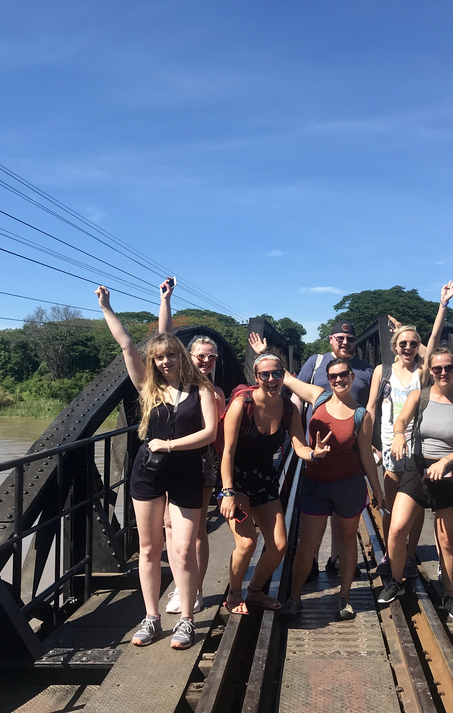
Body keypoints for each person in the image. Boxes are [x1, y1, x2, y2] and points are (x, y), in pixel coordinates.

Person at [96, 285, 217, 649]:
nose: (165, 361)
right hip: (147, 475)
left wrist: (170, 444)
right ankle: (151, 618)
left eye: (171, 356)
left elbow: (210, 433)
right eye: (160, 358)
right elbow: (127, 345)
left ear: (181, 357)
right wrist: (107, 307)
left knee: (181, 550)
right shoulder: (149, 388)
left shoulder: (203, 391)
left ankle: (186, 620)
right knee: (149, 549)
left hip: (185, 474)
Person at [219, 342, 325, 614]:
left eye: (277, 374)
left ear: (283, 375)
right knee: (246, 544)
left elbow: (299, 445)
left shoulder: (289, 409)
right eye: (264, 375)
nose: (271, 380)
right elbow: (227, 451)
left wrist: (313, 454)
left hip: (265, 480)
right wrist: (228, 491)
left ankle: (254, 591)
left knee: (279, 545)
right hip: (238, 482)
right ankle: (233, 594)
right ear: (256, 378)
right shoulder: (242, 404)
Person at [366, 281, 453, 580]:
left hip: (416, 447)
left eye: (411, 343)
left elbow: (433, 339)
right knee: (389, 505)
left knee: (416, 505)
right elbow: (370, 407)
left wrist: (442, 305)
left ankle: (408, 555)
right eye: (402, 343)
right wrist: (368, 443)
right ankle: (388, 553)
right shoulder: (382, 371)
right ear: (394, 347)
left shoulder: (423, 372)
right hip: (389, 442)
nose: (407, 347)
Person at [280, 357, 385, 622]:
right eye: (334, 376)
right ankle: (294, 597)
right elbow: (286, 378)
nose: (339, 380)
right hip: (316, 484)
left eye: (344, 375)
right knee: (308, 544)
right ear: (328, 379)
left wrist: (376, 488)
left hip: (348, 485)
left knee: (347, 541)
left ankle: (345, 598)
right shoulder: (319, 399)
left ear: (351, 377)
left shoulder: (362, 415)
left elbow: (364, 455)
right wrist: (263, 352)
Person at [377, 347, 453, 622]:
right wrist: (399, 435)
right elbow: (401, 420)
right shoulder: (418, 396)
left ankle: (449, 595)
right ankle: (396, 581)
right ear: (430, 371)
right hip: (417, 468)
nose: (443, 373)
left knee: (447, 541)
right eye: (437, 368)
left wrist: (446, 461)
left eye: (448, 368)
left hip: (450, 473)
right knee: (397, 528)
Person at [157, 277, 227, 616]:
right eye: (201, 356)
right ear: (190, 356)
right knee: (170, 526)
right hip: (170, 462)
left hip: (199, 463)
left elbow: (217, 435)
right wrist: (166, 301)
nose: (206, 361)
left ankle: (195, 591)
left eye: (211, 358)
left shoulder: (212, 392)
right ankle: (180, 586)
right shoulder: (180, 381)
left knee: (196, 529)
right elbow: (164, 340)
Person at [292, 321, 374, 575]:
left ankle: (337, 559)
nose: (345, 342)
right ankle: (310, 564)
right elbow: (296, 395)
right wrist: (293, 433)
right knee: (313, 514)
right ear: (330, 339)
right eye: (340, 338)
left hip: (349, 451)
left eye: (350, 339)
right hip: (314, 451)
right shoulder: (315, 362)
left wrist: (375, 446)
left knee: (344, 512)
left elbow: (373, 410)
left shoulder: (368, 371)